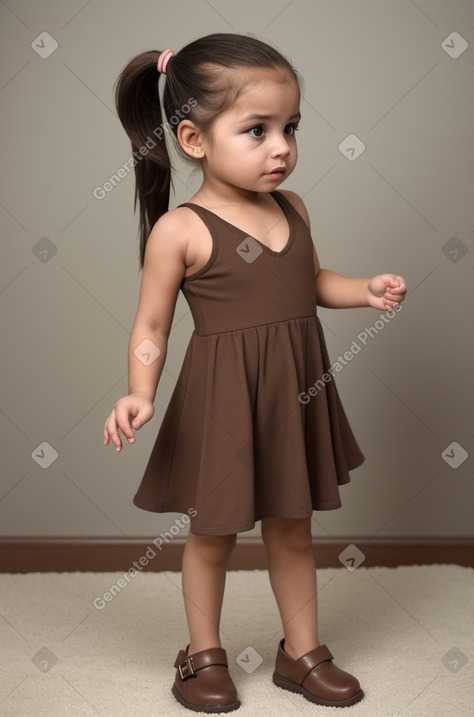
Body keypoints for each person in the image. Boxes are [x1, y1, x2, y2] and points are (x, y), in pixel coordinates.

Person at [104, 33, 407, 713]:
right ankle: (201, 654)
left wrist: (364, 289)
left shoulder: (292, 208)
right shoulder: (181, 230)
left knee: (292, 525)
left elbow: (309, 281)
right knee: (211, 531)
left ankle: (301, 651)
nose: (282, 147)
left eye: (290, 128)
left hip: (293, 393)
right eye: (258, 130)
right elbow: (151, 325)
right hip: (222, 402)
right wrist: (138, 391)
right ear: (193, 139)